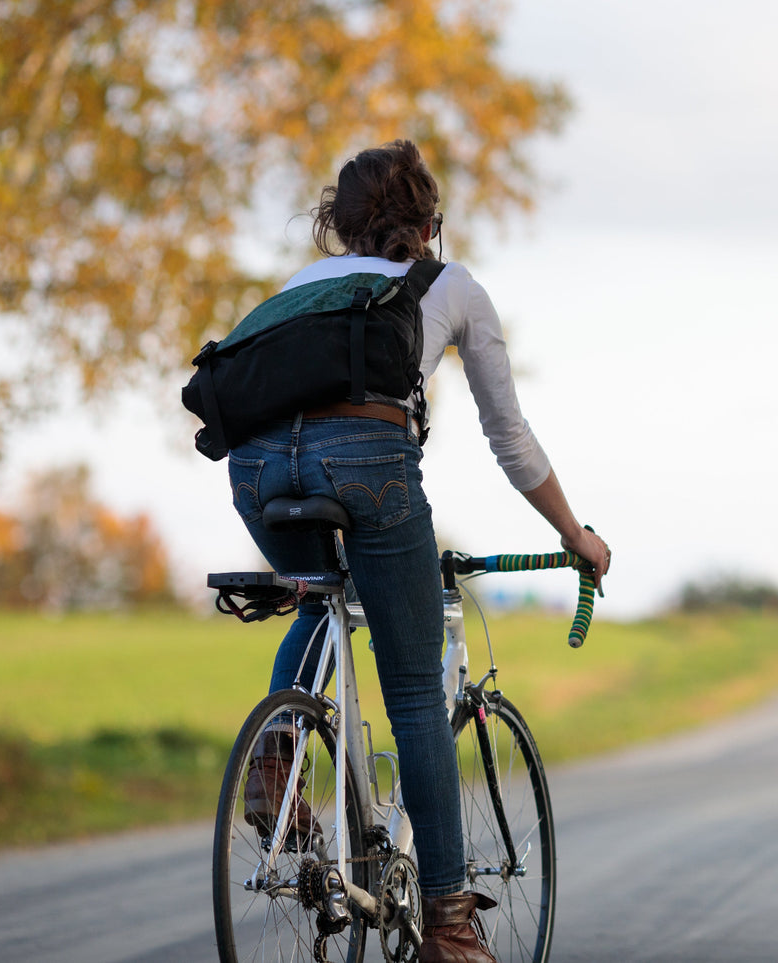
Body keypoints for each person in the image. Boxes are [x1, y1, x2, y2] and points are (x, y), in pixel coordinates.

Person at [225, 139, 610, 963]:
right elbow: (508, 436)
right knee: (412, 688)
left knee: (324, 589)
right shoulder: (450, 283)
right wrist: (573, 534)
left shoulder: (296, 289)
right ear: (430, 222)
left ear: (339, 222)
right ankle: (448, 924)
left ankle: (275, 757)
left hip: (256, 476)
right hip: (367, 467)